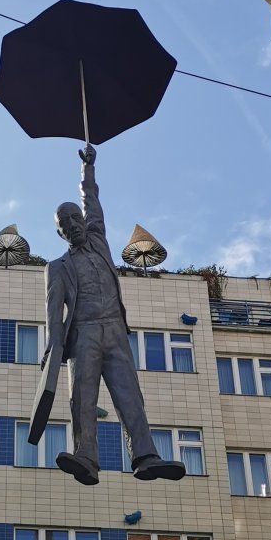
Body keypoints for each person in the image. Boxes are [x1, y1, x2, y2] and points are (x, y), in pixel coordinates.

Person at [37, 144, 185, 486]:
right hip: (84, 334)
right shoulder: (56, 268)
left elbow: (91, 197)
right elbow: (52, 313)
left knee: (130, 396)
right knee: (83, 398)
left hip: (115, 332)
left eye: (76, 218)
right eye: (65, 223)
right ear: (59, 232)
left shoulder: (99, 239)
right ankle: (86, 457)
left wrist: (87, 168)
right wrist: (53, 349)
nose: (74, 224)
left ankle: (145, 456)